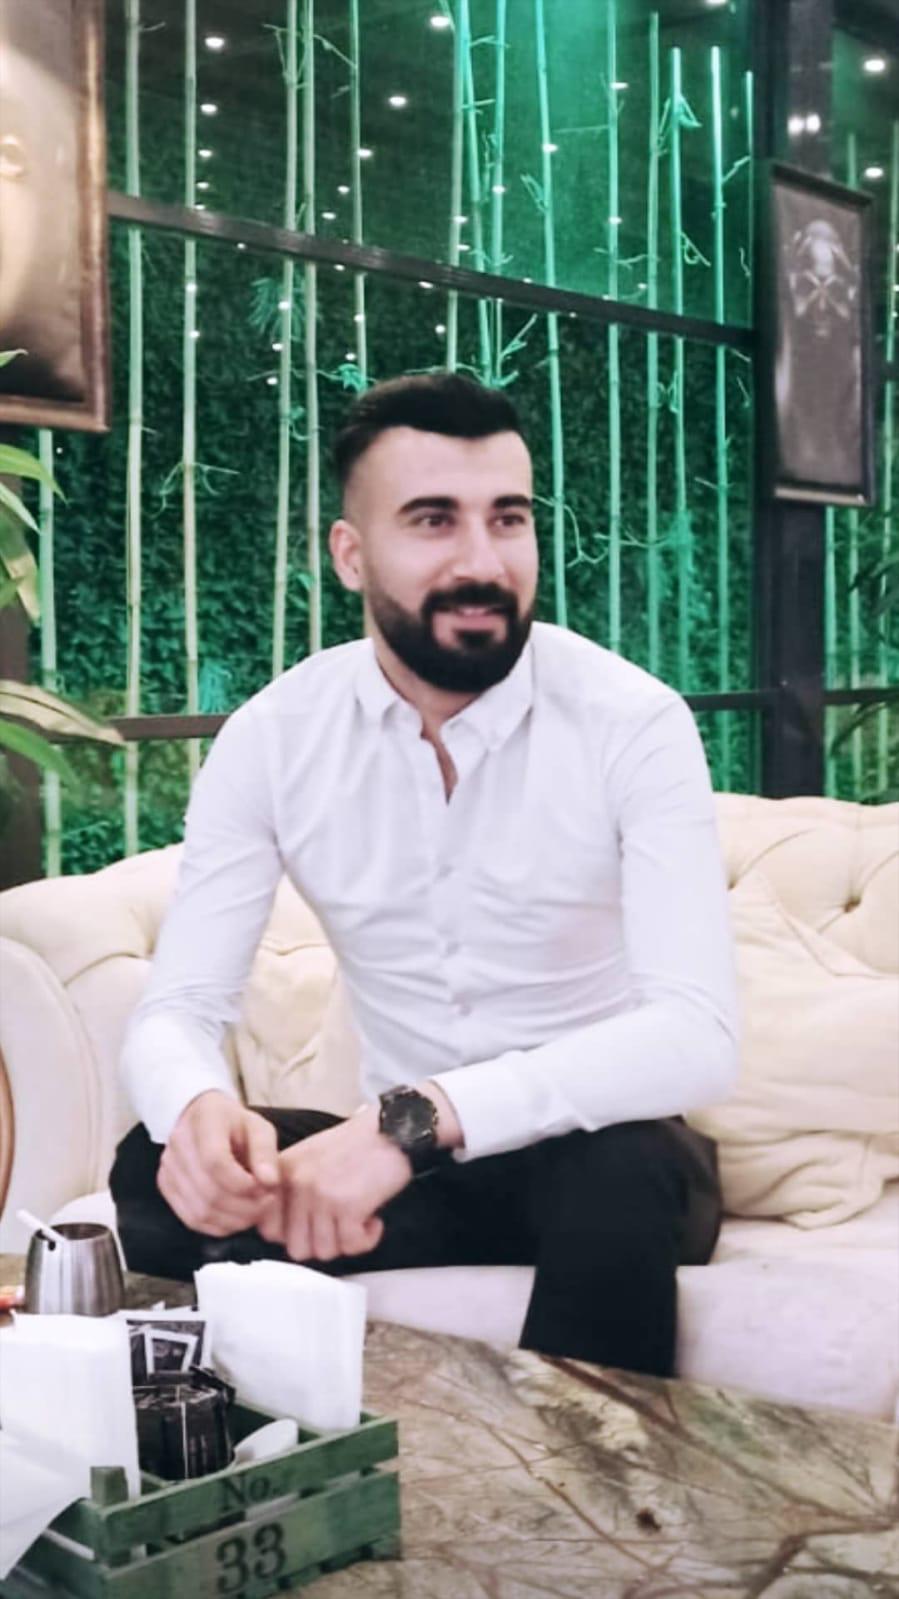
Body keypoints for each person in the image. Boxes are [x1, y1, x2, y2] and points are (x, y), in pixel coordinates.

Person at [113, 372, 739, 1378]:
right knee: (156, 1165)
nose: (482, 561)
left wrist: (406, 1125)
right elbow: (178, 1009)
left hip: (600, 1159)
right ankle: (234, 1454)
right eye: (433, 520)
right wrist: (196, 1113)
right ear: (350, 554)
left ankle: (588, 1479)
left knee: (614, 1169)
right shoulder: (275, 737)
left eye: (508, 518)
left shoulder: (632, 722)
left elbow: (695, 1038)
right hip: (411, 1182)